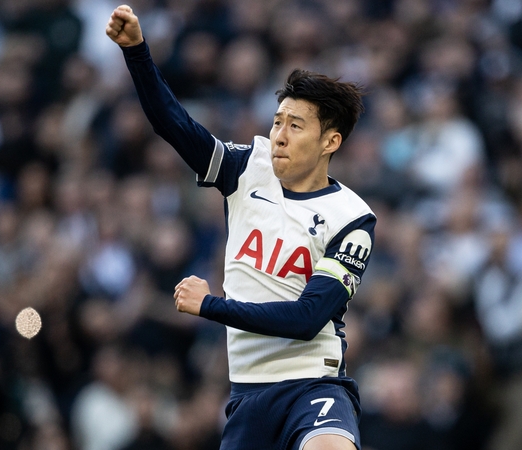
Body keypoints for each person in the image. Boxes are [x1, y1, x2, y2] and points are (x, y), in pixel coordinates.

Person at [106, 5, 375, 450]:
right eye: (277, 122)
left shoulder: (352, 218)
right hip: (247, 393)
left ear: (331, 141)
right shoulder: (246, 168)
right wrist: (136, 51)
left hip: (314, 385)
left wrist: (211, 305)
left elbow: (307, 319)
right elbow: (173, 125)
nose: (280, 135)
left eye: (296, 125)